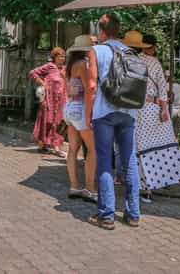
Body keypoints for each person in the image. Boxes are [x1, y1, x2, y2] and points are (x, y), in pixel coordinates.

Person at [123, 31, 180, 206]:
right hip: (157, 109)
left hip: (139, 110)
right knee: (169, 147)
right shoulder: (155, 62)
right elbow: (162, 88)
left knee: (142, 150)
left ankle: (146, 190)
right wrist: (164, 108)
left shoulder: (129, 63)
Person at [86, 13, 140, 230]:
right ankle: (133, 213)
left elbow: (91, 86)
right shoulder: (131, 51)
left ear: (101, 31)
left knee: (105, 161)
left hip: (104, 112)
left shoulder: (96, 51)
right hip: (128, 111)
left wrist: (90, 114)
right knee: (129, 160)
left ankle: (107, 215)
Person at [64, 35, 97, 202]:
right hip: (80, 109)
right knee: (92, 149)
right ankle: (90, 188)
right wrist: (89, 114)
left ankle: (74, 186)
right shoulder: (83, 65)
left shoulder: (69, 65)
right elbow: (89, 88)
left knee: (72, 149)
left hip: (69, 108)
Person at [30, 47, 67, 158]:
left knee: (59, 123)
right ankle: (42, 145)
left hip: (61, 102)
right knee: (46, 121)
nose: (62, 58)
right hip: (49, 100)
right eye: (60, 56)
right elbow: (33, 72)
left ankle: (56, 148)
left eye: (64, 56)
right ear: (54, 57)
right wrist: (42, 83)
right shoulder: (49, 67)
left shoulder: (65, 69)